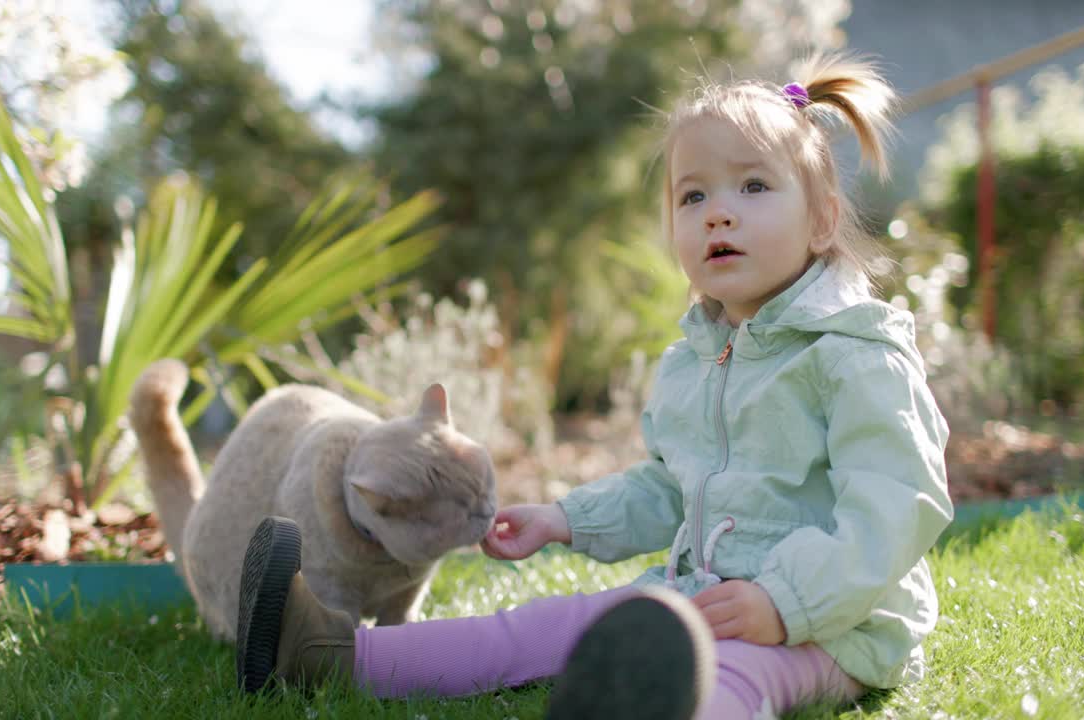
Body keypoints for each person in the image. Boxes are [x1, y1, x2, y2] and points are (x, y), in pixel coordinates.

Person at [235, 52, 953, 720]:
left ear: (823, 218)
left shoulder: (854, 354)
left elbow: (896, 506)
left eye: (754, 185)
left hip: (836, 627)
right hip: (699, 601)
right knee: (545, 626)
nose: (719, 211)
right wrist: (563, 520)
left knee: (733, 675)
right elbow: (669, 488)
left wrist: (784, 603)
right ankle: (334, 654)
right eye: (693, 194)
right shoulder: (696, 360)